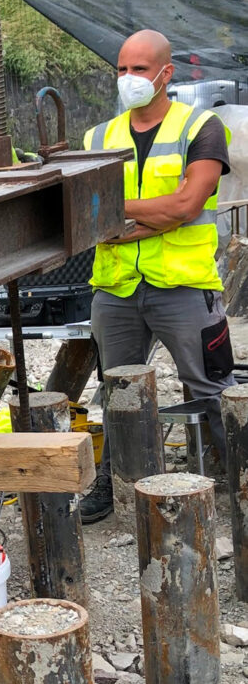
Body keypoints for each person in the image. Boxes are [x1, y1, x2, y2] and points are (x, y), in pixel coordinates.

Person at [81, 29, 234, 523]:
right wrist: (154, 217)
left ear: (166, 73)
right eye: (122, 69)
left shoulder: (202, 127)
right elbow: (84, 212)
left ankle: (239, 480)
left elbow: (187, 205)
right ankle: (114, 483)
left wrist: (117, 212)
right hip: (117, 288)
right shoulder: (97, 138)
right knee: (118, 393)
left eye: (140, 69)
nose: (128, 78)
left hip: (185, 286)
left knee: (213, 388)